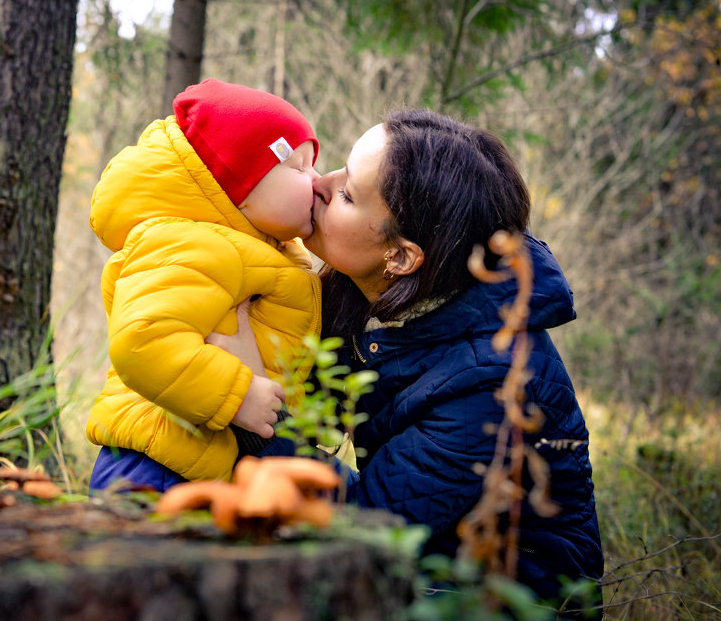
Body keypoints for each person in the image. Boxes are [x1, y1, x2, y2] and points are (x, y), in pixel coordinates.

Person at [214, 109, 602, 610]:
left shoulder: (491, 384)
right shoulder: (366, 293)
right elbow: (314, 417)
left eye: (349, 194)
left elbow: (367, 524)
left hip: (498, 601)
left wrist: (247, 398)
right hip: (421, 561)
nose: (319, 185)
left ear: (400, 258)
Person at [85, 78, 322, 492]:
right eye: (298, 168)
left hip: (208, 463)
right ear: (239, 187)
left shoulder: (261, 249)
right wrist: (237, 394)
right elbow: (142, 340)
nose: (317, 180)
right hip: (156, 463)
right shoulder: (188, 243)